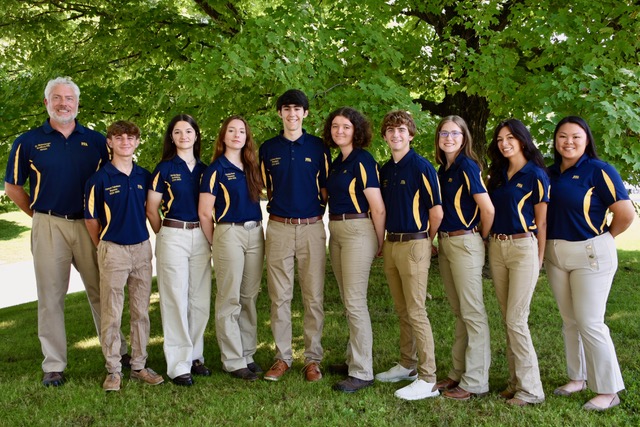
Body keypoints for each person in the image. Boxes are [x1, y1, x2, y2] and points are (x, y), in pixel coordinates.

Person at [3, 76, 128, 387]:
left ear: (77, 104)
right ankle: (54, 364)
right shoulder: (28, 141)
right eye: (56, 98)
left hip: (90, 225)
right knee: (50, 296)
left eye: (69, 98)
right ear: (47, 102)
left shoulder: (98, 141)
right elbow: (12, 187)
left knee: (103, 291)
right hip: (48, 225)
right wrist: (38, 214)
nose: (63, 103)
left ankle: (118, 353)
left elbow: (112, 180)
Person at [545, 116, 634, 411]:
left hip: (591, 254)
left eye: (575, 137)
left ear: (586, 140)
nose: (568, 142)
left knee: (590, 322)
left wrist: (602, 239)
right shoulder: (549, 173)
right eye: (562, 136)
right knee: (570, 321)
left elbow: (625, 214)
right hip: (556, 254)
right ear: (555, 140)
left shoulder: (599, 170)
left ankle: (609, 390)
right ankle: (577, 378)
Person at [85, 121, 164, 392]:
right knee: (112, 312)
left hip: (142, 248)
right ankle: (114, 369)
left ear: (138, 142)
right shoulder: (99, 179)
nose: (125, 142)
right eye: (119, 138)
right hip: (113, 250)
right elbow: (91, 220)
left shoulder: (144, 175)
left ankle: (139, 365)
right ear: (110, 142)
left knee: (141, 311)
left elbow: (152, 209)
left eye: (131, 138)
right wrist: (104, 246)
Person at [259, 89, 330, 382]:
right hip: (278, 228)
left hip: (312, 227)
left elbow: (325, 188)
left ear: (305, 114)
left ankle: (313, 359)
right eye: (286, 109)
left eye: (297, 109)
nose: (292, 114)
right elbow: (265, 187)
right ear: (280, 113)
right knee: (280, 297)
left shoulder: (318, 147)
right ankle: (282, 357)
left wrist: (314, 214)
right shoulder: (268, 149)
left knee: (313, 296)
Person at [375, 110, 443, 400]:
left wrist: (426, 240)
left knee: (416, 311)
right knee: (402, 309)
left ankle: (428, 379)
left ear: (411, 135)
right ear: (385, 136)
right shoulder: (385, 170)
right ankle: (407, 364)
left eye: (401, 130)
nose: (396, 134)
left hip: (415, 242)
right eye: (390, 130)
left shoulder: (421, 166)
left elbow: (436, 211)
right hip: (391, 244)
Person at [322, 107, 386, 393]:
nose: (340, 131)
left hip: (359, 230)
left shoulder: (363, 159)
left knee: (356, 302)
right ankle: (352, 360)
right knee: (348, 300)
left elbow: (377, 205)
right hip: (335, 230)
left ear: (356, 130)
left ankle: (362, 371)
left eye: (346, 126)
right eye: (335, 126)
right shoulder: (337, 162)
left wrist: (379, 240)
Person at [486, 118, 549, 406]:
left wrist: (538, 258)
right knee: (507, 318)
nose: (504, 143)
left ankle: (532, 390)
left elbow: (542, 221)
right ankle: (514, 382)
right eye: (500, 139)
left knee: (516, 319)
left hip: (524, 247)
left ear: (522, 139)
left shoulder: (536, 174)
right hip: (497, 248)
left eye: (510, 137)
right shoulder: (498, 175)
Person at [433, 115, 495, 401]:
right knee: (460, 313)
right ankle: (457, 372)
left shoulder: (467, 166)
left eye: (455, 133)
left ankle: (476, 382)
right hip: (446, 244)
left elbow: (488, 209)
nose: (449, 138)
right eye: (444, 133)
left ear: (464, 137)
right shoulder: (442, 169)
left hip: (465, 242)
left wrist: (480, 238)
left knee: (473, 314)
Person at [147, 114, 212, 387]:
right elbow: (152, 208)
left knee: (199, 299)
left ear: (196, 135)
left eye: (188, 131)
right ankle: (178, 365)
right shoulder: (164, 168)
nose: (183, 136)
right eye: (177, 132)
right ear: (171, 138)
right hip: (173, 233)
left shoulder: (206, 169)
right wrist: (165, 234)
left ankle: (195, 355)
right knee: (175, 298)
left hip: (201, 235)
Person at [199, 116, 265, 381]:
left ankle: (247, 353)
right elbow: (205, 213)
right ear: (223, 136)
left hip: (255, 232)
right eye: (231, 131)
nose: (237, 135)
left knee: (249, 297)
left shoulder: (252, 166)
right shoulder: (215, 169)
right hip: (229, 232)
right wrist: (218, 242)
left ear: (246, 136)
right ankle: (233, 359)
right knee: (230, 298)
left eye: (241, 131)